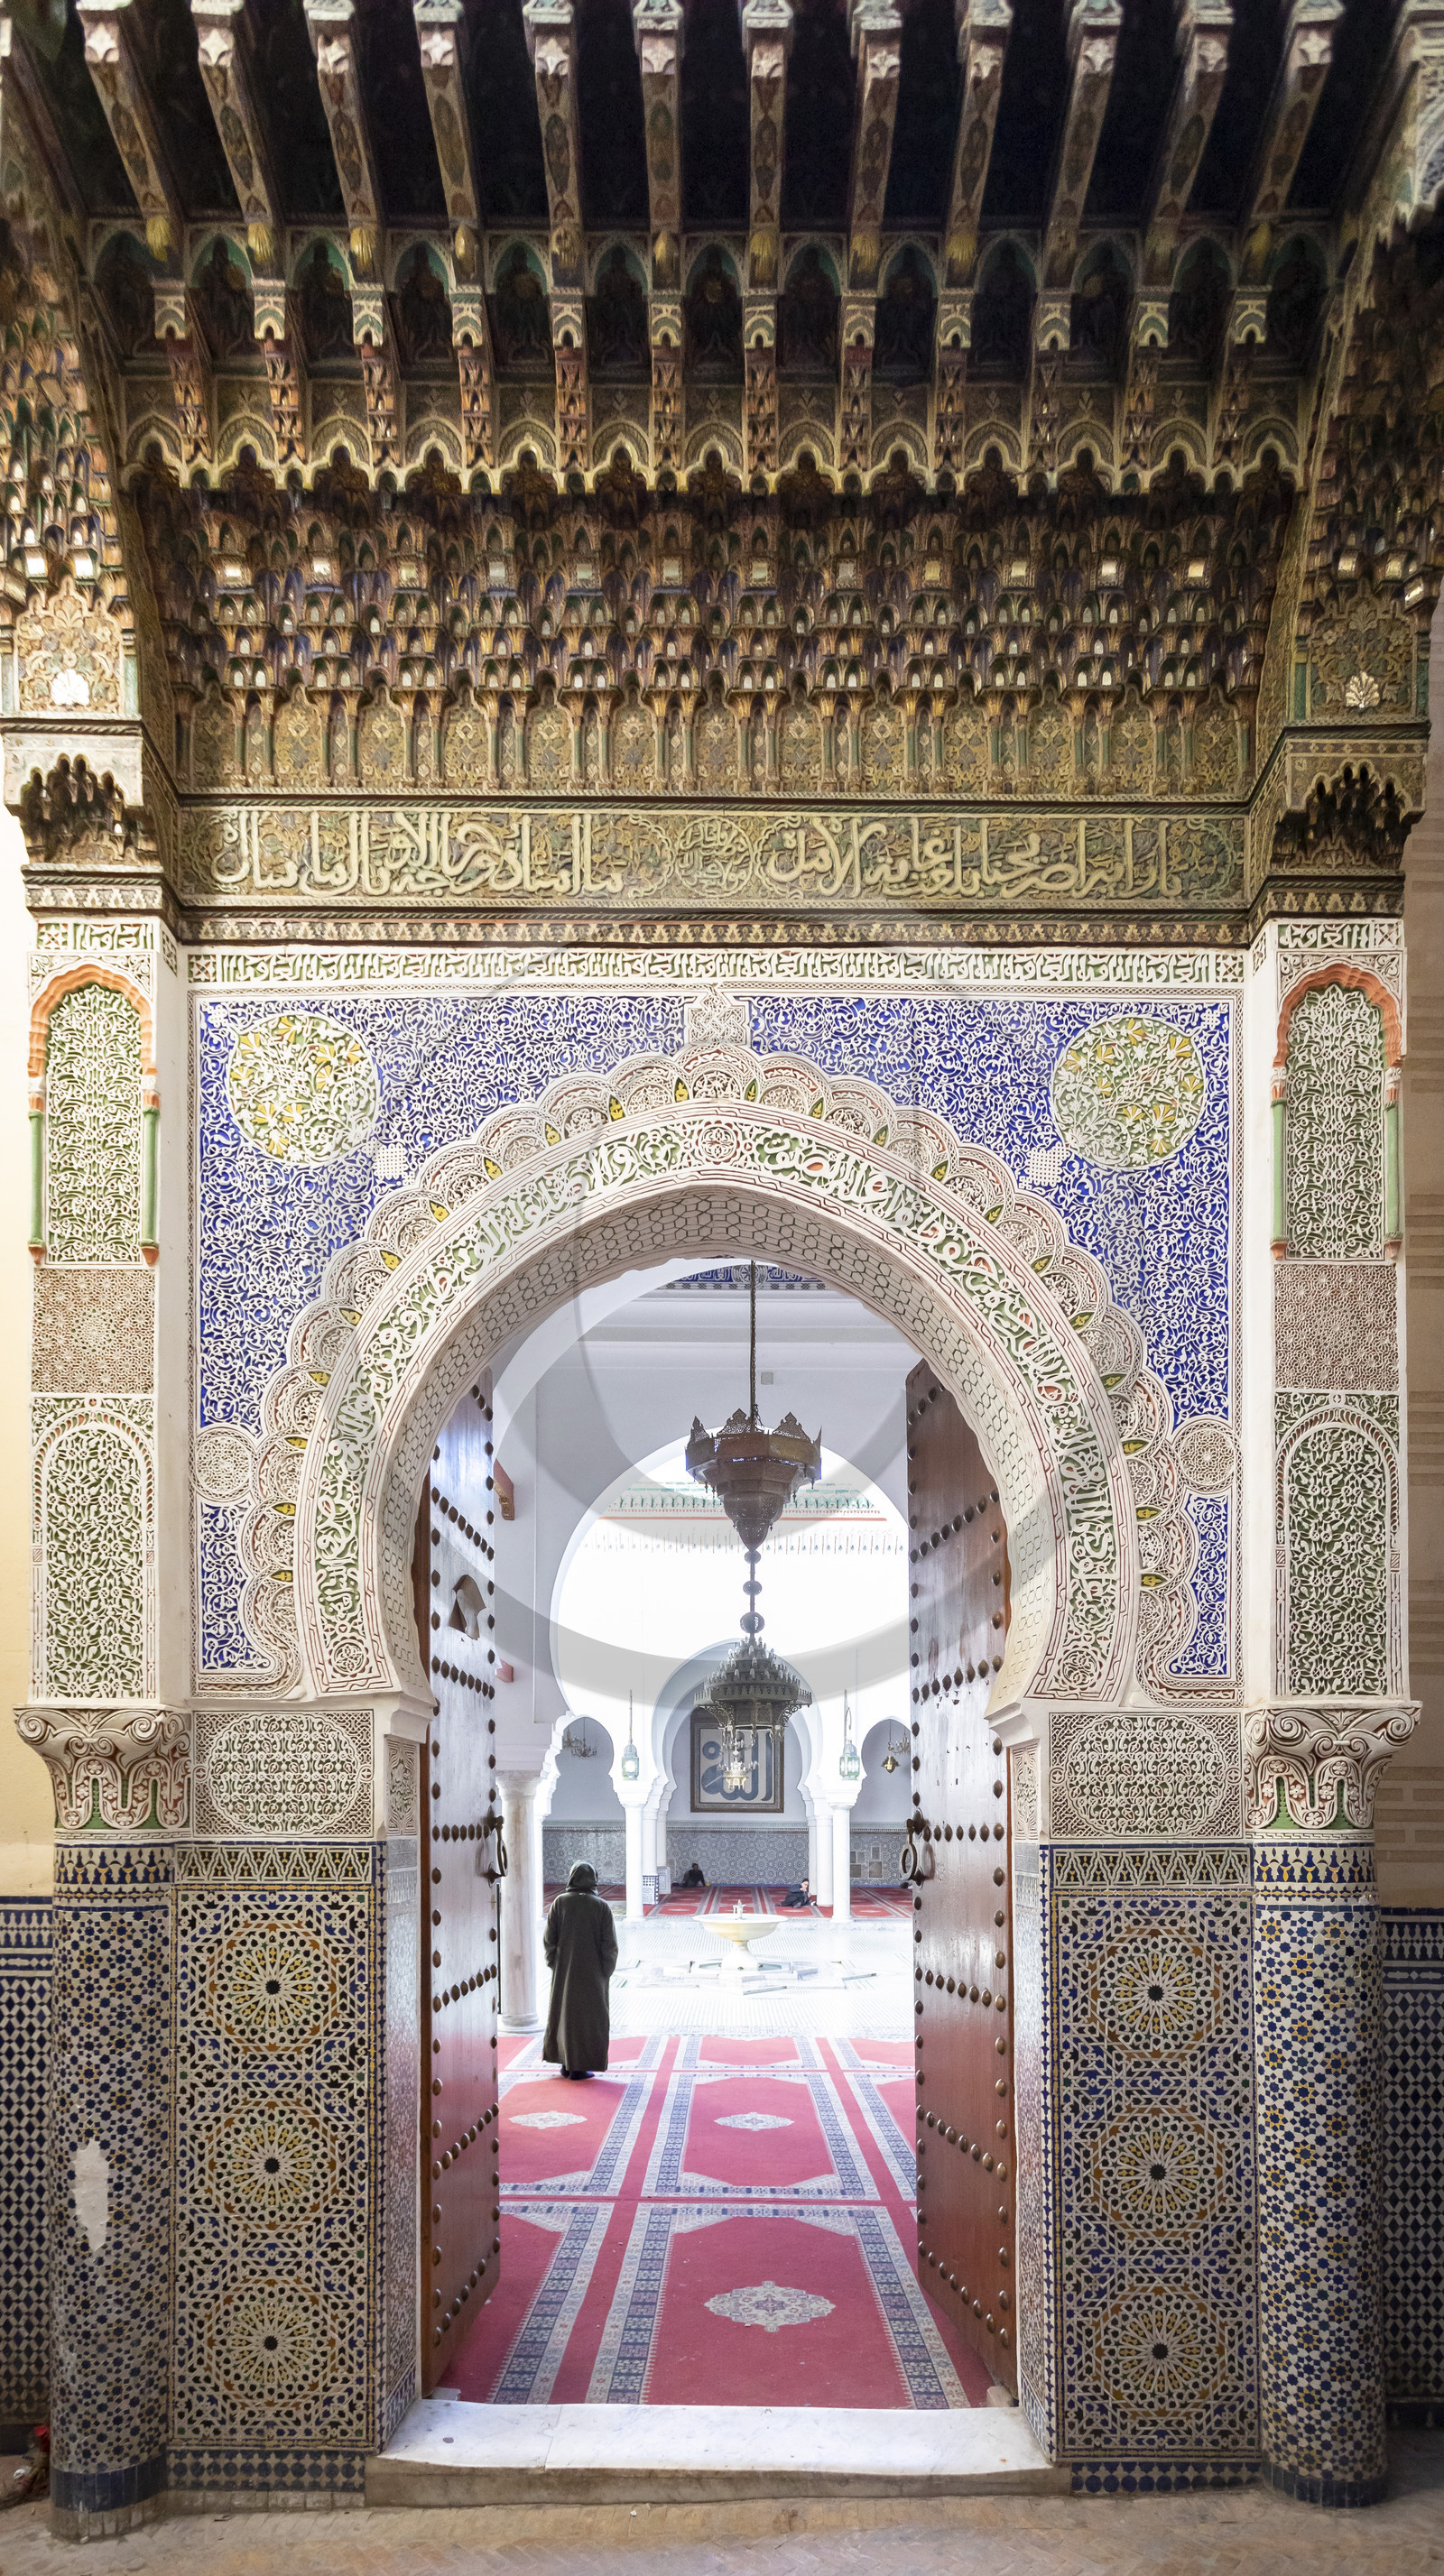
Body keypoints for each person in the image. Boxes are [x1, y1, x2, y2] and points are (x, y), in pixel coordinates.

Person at [542, 1860, 618, 2079]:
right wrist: (605, 1972)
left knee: (565, 2015)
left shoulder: (560, 1902)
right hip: (593, 1975)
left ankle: (566, 2063)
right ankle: (581, 2066)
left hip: (565, 1973)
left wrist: (556, 1965)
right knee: (589, 2018)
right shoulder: (600, 1906)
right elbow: (610, 1945)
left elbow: (549, 1940)